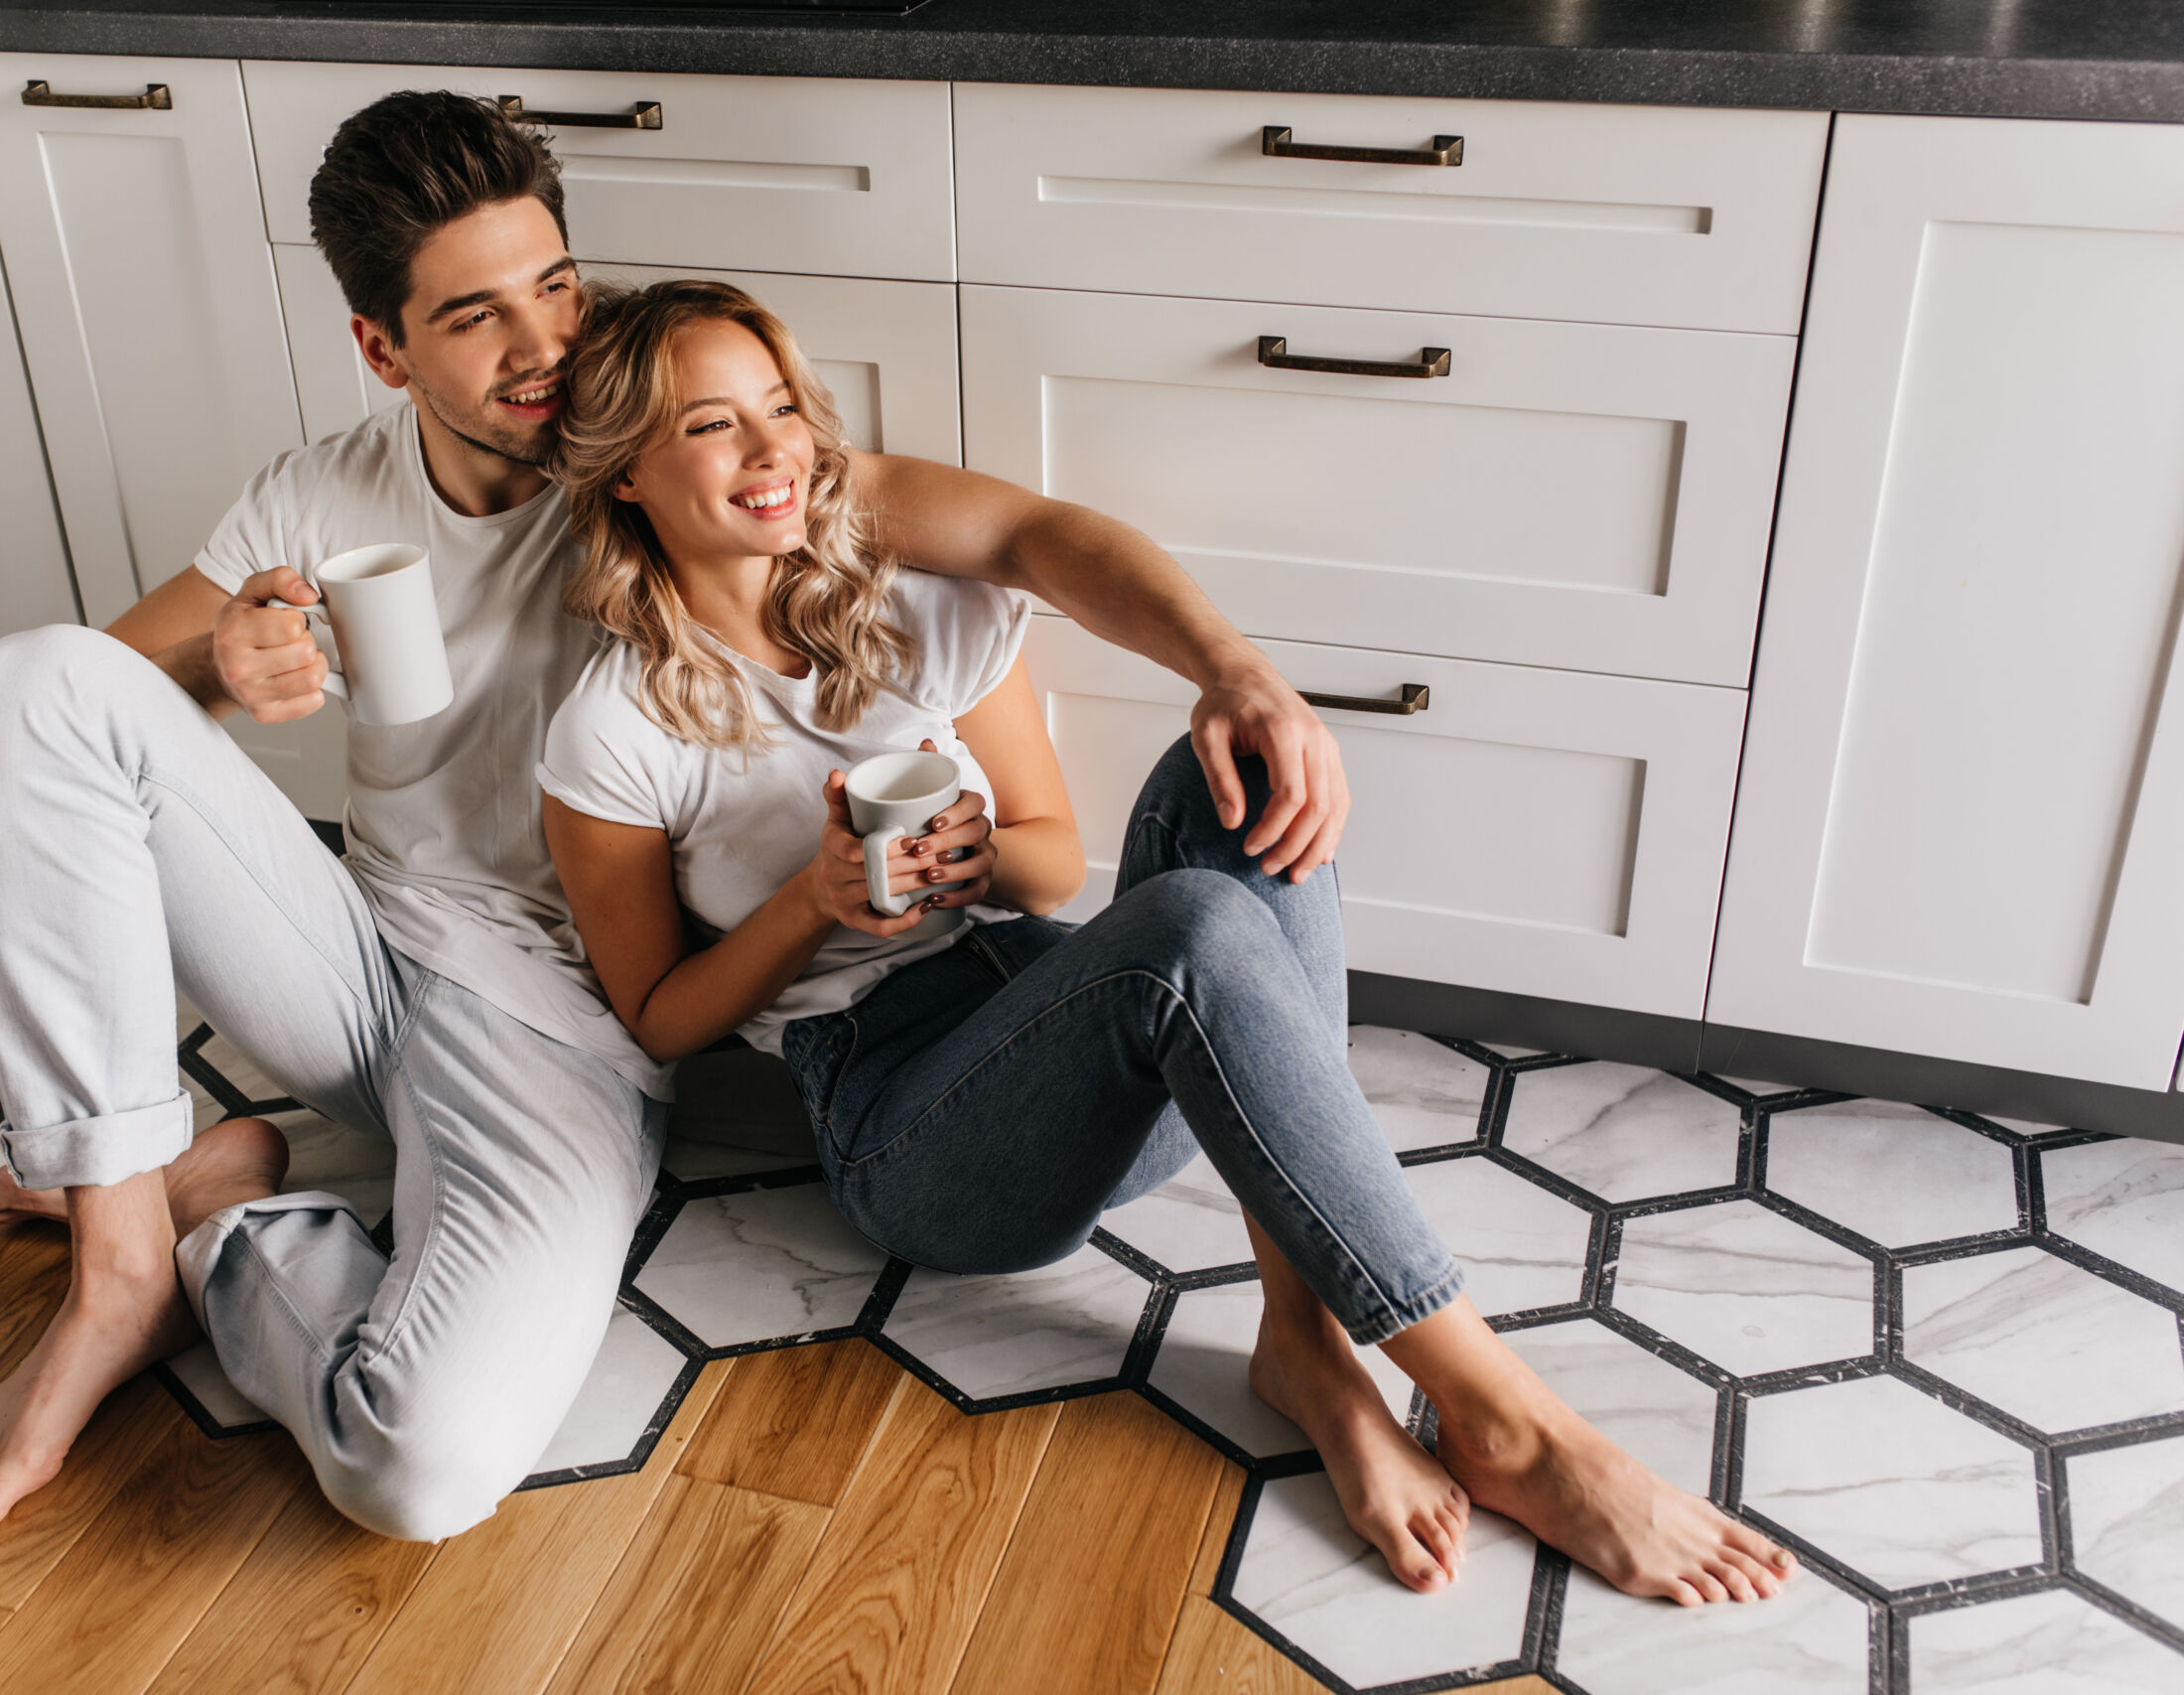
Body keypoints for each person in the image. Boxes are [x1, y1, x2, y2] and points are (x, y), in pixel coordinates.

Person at [0, 91, 1354, 1545]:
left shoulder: (657, 454)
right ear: (382, 347)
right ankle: (113, 1260)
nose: (544, 345)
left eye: (554, 283)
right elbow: (80, 717)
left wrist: (1232, 667)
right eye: (475, 317)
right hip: (349, 955)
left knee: (416, 1467)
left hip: (558, 1016)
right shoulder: (318, 496)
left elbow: (1031, 536)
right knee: (25, 680)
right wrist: (219, 667)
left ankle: (224, 1228)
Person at [536, 278, 1800, 1605]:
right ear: (625, 472)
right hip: (910, 1139)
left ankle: (1306, 1344)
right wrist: (812, 902)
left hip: (1060, 1035)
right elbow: (659, 1019)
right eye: (710, 426)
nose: (772, 450)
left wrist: (1176, 722)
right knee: (1188, 930)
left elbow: (1048, 855)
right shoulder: (614, 729)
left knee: (1227, 768)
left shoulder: (906, 600)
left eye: (782, 407)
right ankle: (1508, 1416)